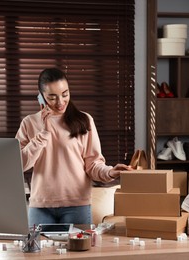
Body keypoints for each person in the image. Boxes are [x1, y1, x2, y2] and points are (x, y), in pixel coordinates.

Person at [15, 68, 132, 226]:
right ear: (41, 97)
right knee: (36, 250)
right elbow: (18, 165)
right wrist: (43, 133)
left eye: (65, 94)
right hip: (41, 206)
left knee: (78, 250)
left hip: (77, 205)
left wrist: (111, 172)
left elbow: (93, 165)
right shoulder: (29, 123)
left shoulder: (84, 120)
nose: (60, 102)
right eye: (52, 97)